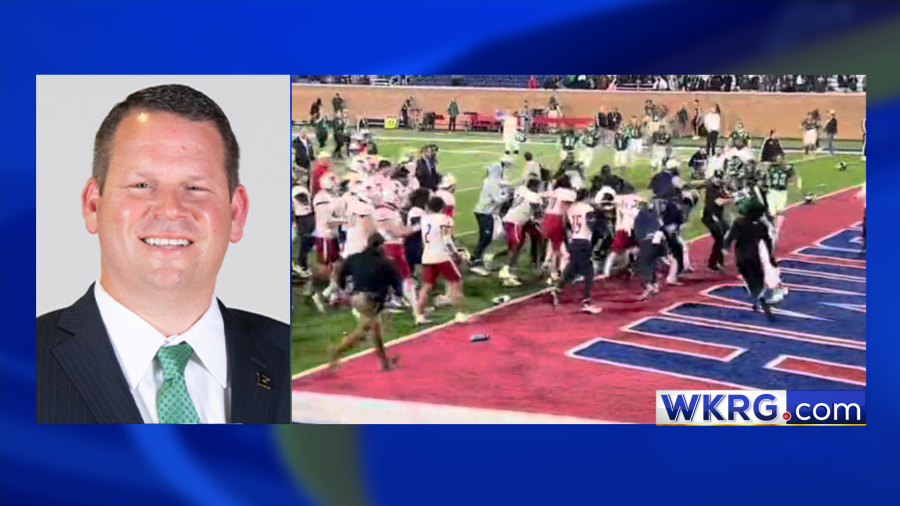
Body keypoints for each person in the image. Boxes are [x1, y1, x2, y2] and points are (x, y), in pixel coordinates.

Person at [36, 84, 289, 424]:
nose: (171, 210)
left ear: (237, 213)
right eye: (142, 185)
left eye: (196, 188)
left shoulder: (295, 359)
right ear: (93, 205)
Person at [329, 233, 403, 373]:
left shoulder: (354, 258)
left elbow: (340, 273)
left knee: (375, 329)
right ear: (381, 247)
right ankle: (337, 351)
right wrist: (397, 296)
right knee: (363, 332)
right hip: (371, 299)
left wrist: (344, 288)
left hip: (356, 298)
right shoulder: (386, 262)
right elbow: (397, 286)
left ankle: (384, 362)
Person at [550, 189, 603, 314]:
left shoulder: (571, 208)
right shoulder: (588, 208)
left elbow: (565, 225)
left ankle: (557, 290)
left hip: (574, 241)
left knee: (571, 270)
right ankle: (586, 302)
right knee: (589, 272)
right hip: (584, 242)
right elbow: (592, 226)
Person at [417, 197, 467, 324]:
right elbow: (446, 240)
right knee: (455, 283)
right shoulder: (445, 219)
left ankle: (419, 316)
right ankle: (460, 314)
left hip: (427, 256)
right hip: (442, 256)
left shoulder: (424, 219)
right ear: (442, 207)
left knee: (426, 287)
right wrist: (456, 253)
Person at [701, 169, 733, 271]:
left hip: (717, 215)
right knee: (719, 237)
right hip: (710, 216)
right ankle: (715, 262)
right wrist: (733, 200)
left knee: (726, 231)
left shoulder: (719, 186)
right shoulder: (711, 188)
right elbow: (719, 202)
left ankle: (718, 259)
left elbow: (727, 194)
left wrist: (737, 194)